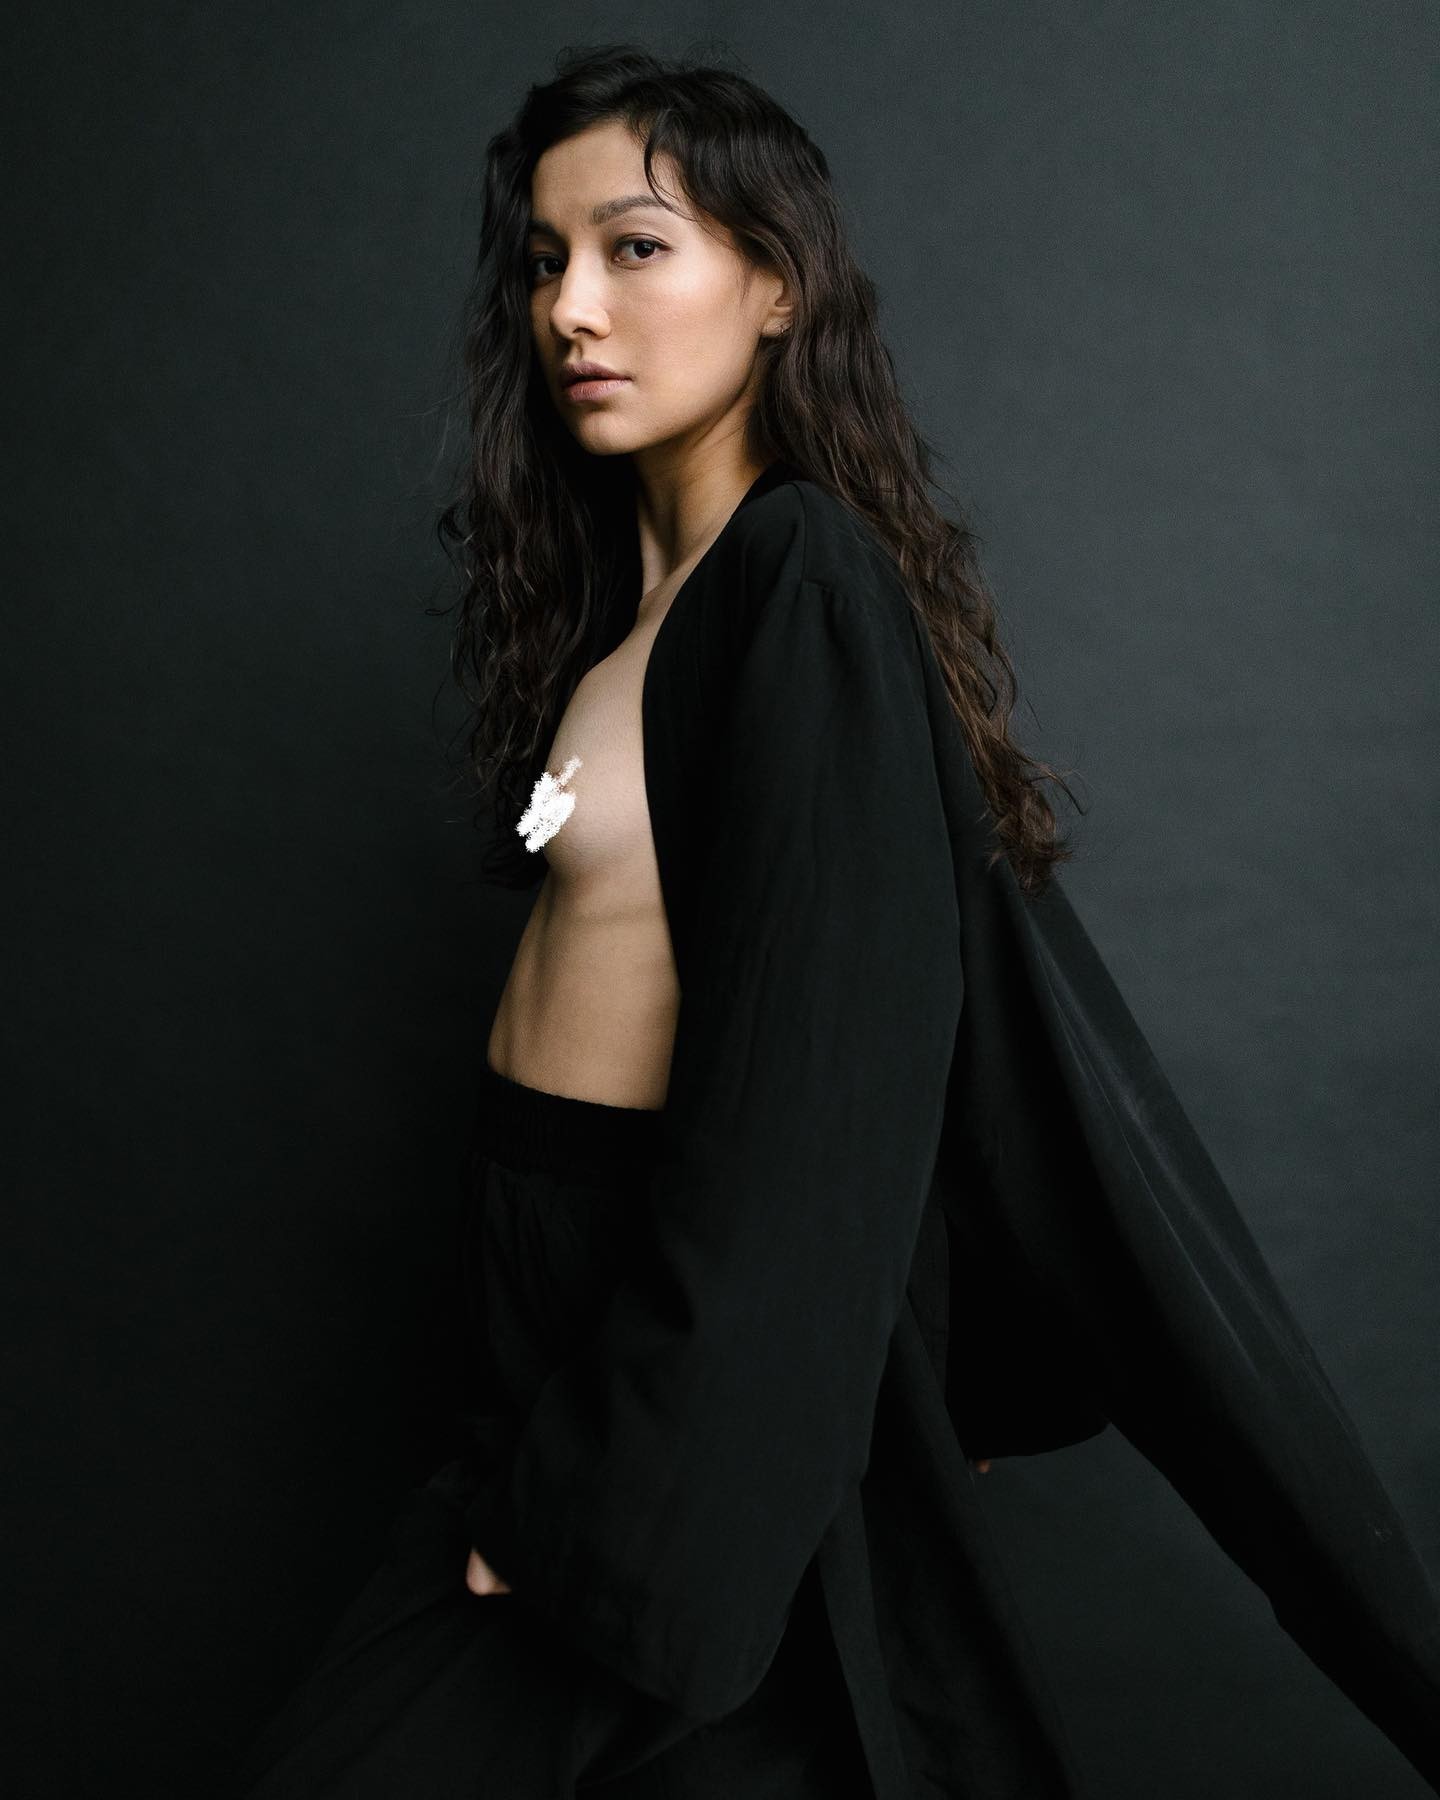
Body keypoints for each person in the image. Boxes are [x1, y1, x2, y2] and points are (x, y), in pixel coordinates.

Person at [230, 44, 1440, 1800]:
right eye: (545, 260)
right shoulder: (633, 612)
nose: (571, 306)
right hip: (543, 1355)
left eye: (636, 247)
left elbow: (811, 1107)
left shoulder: (797, 584)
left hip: (649, 1410)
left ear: (778, 283)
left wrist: (607, 1503)